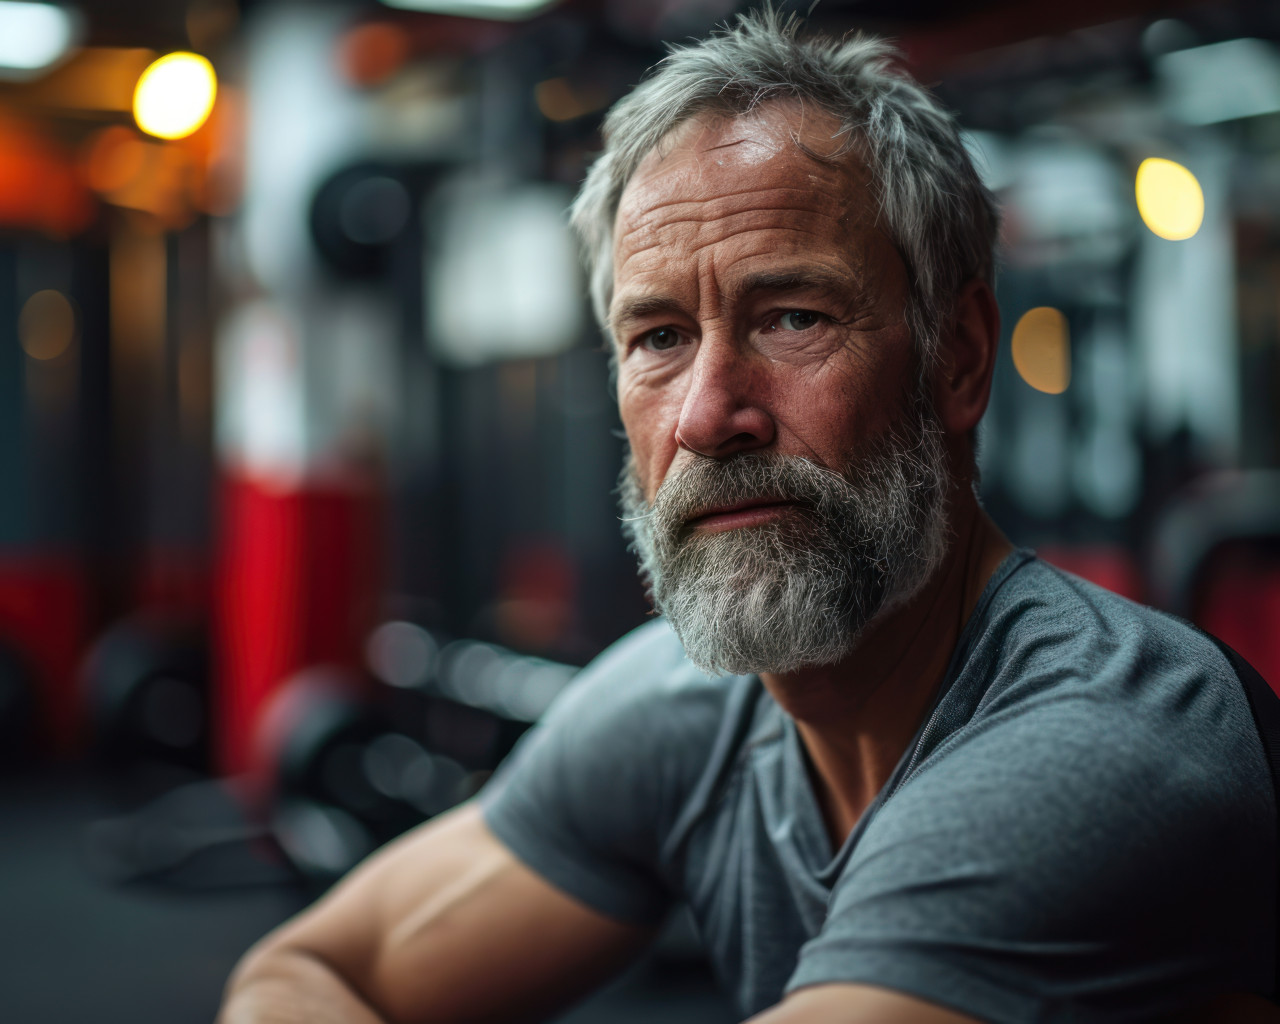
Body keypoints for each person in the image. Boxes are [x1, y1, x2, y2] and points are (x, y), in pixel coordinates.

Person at [218, 10, 1277, 1023]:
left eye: (792, 318)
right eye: (658, 338)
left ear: (956, 358)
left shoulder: (1101, 742)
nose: (706, 416)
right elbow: (307, 969)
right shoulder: (686, 709)